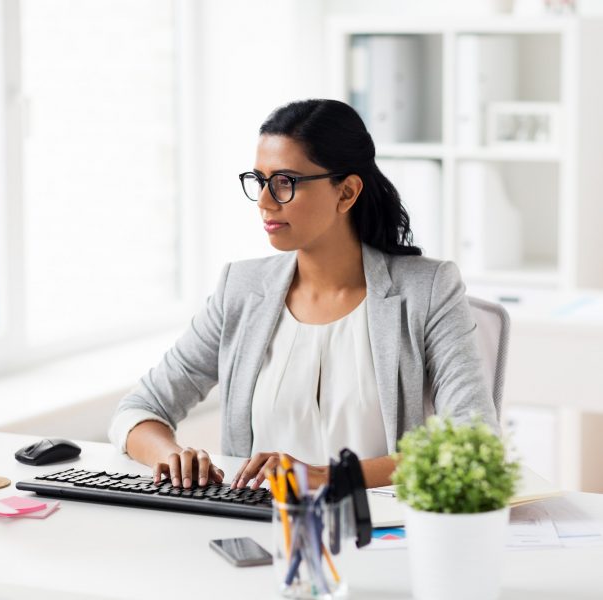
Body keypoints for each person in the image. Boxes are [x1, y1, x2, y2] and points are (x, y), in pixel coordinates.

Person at [109, 98, 498, 492]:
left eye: (284, 182)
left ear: (346, 193)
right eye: (259, 181)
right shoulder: (241, 289)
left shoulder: (428, 290)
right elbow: (140, 409)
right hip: (256, 534)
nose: (263, 202)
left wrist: (328, 477)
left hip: (380, 533)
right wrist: (170, 455)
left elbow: (474, 443)